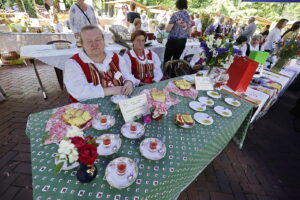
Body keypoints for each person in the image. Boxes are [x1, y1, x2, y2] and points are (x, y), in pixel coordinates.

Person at [64, 25, 135, 102]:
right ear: (82, 45)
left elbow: (127, 74)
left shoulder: (116, 57)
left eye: (97, 40)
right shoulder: (73, 64)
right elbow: (79, 92)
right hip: (89, 109)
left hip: (121, 103)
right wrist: (112, 90)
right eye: (89, 41)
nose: (94, 44)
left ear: (103, 41)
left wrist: (129, 82)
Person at [164, 0, 191, 64]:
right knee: (176, 60)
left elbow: (168, 29)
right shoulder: (188, 16)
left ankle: (166, 74)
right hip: (183, 40)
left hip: (173, 40)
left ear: (177, 5)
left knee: (167, 60)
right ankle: (174, 73)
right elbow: (189, 31)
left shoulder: (175, 15)